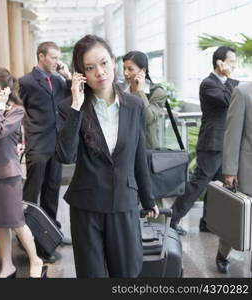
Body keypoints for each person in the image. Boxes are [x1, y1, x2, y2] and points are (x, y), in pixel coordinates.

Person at [56, 34, 159, 278]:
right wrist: (76, 107)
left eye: (103, 63)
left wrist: (148, 197)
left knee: (127, 272)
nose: (99, 72)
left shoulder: (134, 106)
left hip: (124, 203)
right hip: (86, 206)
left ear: (113, 62)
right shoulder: (70, 107)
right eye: (90, 68)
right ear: (81, 74)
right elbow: (65, 156)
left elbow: (138, 156)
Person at [0, 68, 47, 278]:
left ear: (4, 91)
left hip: (8, 177)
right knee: (1, 223)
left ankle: (35, 259)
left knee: (16, 221)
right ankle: (7, 265)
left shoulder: (15, 111)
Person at [170, 46, 239, 235]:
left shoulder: (230, 83)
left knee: (217, 187)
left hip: (224, 144)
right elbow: (227, 100)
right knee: (198, 184)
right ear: (219, 62)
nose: (234, 65)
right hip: (211, 143)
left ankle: (207, 222)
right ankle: (173, 219)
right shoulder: (208, 84)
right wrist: (230, 78)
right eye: (231, 61)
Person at [19, 41, 72, 256]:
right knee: (32, 193)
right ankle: (26, 238)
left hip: (56, 145)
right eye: (54, 57)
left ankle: (51, 233)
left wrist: (68, 75)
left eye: (59, 57)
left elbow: (74, 95)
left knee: (52, 191)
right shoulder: (26, 82)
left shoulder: (59, 81)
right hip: (38, 145)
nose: (57, 61)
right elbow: (19, 108)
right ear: (41, 56)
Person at [123, 51, 167, 223]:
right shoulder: (120, 90)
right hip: (125, 150)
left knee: (152, 196)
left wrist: (139, 92)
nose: (126, 73)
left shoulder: (157, 92)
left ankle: (158, 237)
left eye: (130, 69)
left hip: (147, 151)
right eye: (124, 68)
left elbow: (148, 118)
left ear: (143, 70)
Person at [215, 82, 252, 273]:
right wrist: (230, 170)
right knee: (238, 219)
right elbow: (232, 134)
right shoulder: (243, 92)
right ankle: (222, 253)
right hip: (248, 168)